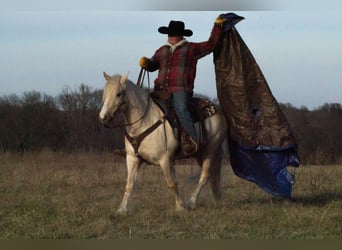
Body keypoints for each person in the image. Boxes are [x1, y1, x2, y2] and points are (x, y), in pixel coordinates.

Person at [139, 16, 227, 155]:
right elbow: (153, 65)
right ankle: (136, 145)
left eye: (174, 35)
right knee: (141, 108)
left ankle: (191, 140)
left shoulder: (191, 49)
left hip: (180, 90)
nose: (171, 37)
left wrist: (217, 27)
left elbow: (211, 45)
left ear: (180, 36)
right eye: (170, 35)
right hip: (160, 90)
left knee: (181, 108)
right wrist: (146, 63)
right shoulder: (162, 51)